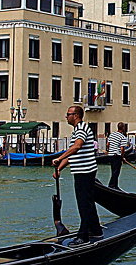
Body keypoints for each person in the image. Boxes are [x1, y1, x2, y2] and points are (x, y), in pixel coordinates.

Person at [52, 104, 103, 244]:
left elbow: (77, 146)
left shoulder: (82, 129)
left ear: (76, 116)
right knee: (88, 203)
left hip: (85, 172)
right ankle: (96, 231)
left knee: (83, 205)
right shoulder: (77, 131)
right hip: (82, 171)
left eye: (68, 114)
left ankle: (83, 236)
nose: (66, 117)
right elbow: (72, 154)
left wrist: (59, 158)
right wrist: (59, 168)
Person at [105, 122, 130, 189]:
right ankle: (111, 186)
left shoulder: (112, 134)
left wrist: (109, 150)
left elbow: (107, 144)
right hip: (117, 156)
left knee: (113, 171)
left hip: (110, 155)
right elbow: (122, 149)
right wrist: (122, 157)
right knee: (116, 172)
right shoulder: (122, 137)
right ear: (123, 128)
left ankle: (115, 186)